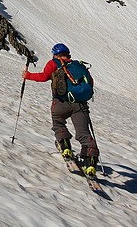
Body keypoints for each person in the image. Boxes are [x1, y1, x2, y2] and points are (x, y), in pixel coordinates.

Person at [23, 43, 100, 177]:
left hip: (61, 102)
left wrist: (27, 75)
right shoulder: (78, 66)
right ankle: (90, 164)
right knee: (84, 134)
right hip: (80, 104)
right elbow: (90, 83)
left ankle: (65, 148)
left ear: (55, 54)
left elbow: (44, 77)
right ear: (68, 54)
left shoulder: (54, 63)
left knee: (58, 122)